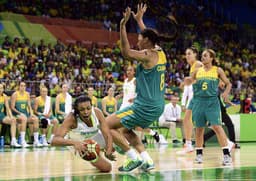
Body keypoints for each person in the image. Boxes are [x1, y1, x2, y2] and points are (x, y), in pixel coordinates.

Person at [106, 5, 167, 172]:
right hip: (157, 106)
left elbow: (126, 52)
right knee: (125, 130)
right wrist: (140, 20)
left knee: (106, 125)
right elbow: (150, 36)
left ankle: (132, 158)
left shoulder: (147, 56)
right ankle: (147, 160)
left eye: (140, 38)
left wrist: (122, 25)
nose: (138, 40)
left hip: (144, 106)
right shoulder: (161, 53)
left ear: (146, 41)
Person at [191, 49, 232, 165]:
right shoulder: (196, 71)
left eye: (205, 56)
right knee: (198, 129)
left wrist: (225, 93)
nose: (202, 58)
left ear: (211, 58)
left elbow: (228, 83)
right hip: (198, 102)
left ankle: (226, 155)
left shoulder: (217, 70)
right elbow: (189, 81)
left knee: (217, 127)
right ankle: (199, 155)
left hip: (212, 102)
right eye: (202, 56)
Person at [51, 96, 114, 172]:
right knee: (107, 168)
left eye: (88, 108)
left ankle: (130, 155)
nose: (86, 112)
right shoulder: (71, 118)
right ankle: (94, 158)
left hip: (95, 137)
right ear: (77, 110)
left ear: (92, 107)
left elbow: (107, 133)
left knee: (114, 132)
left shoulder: (97, 112)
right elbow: (54, 140)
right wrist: (74, 143)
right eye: (82, 109)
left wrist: (109, 149)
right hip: (81, 145)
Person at [116, 65, 160, 144]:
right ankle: (153, 133)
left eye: (130, 70)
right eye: (127, 70)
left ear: (134, 72)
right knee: (129, 125)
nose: (128, 72)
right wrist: (120, 95)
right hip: (124, 105)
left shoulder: (135, 81)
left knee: (132, 125)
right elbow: (126, 92)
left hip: (133, 106)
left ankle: (127, 141)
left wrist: (135, 99)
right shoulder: (125, 80)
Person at [177, 47, 202, 155]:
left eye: (189, 53)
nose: (187, 56)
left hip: (199, 95)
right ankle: (188, 144)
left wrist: (189, 79)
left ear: (195, 54)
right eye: (186, 54)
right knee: (187, 119)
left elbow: (204, 67)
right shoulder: (192, 66)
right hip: (195, 96)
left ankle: (188, 144)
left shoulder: (197, 64)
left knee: (188, 119)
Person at [204, 81, 240, 148]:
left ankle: (203, 139)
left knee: (220, 128)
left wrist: (231, 103)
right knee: (227, 126)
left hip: (222, 111)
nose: (223, 84)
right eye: (222, 82)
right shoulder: (214, 90)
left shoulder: (220, 90)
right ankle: (233, 143)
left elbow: (224, 99)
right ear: (218, 82)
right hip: (218, 112)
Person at [11, 81, 42, 147]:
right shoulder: (15, 94)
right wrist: (20, 113)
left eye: (24, 86)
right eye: (21, 86)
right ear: (19, 86)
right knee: (24, 118)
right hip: (17, 115)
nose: (23, 87)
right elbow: (12, 107)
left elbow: (29, 106)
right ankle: (22, 141)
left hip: (25, 114)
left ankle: (36, 141)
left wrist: (31, 114)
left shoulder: (27, 94)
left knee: (35, 119)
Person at [0, 83, 21, 147]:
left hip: (1, 115)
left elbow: (7, 108)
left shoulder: (4, 96)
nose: (0, 89)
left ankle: (13, 141)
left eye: (1, 88)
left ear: (3, 89)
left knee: (13, 120)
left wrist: (11, 116)